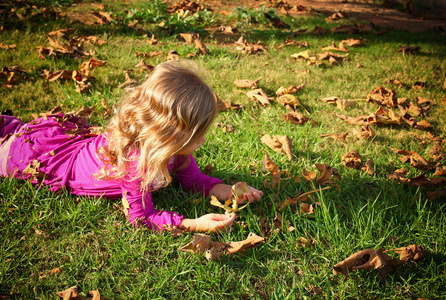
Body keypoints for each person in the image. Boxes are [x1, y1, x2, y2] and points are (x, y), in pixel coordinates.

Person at [0, 61, 263, 233]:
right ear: (169, 133)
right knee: (11, 146)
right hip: (49, 160)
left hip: (73, 145)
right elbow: (139, 217)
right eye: (197, 135)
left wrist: (229, 192)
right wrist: (193, 224)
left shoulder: (173, 148)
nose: (202, 141)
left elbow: (194, 181)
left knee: (13, 129)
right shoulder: (136, 162)